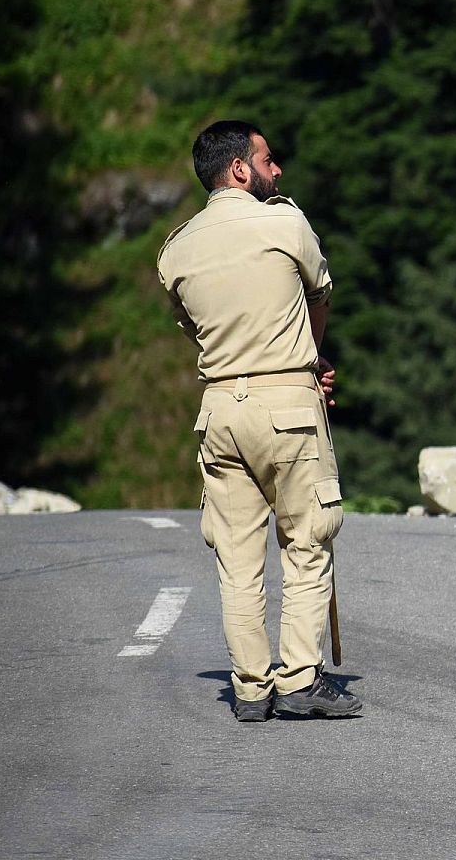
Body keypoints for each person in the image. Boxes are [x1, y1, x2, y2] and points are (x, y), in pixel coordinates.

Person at [158, 120, 360, 722]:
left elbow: (191, 325)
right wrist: (311, 359)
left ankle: (250, 687)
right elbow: (319, 293)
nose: (278, 170)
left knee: (236, 554)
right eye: (269, 160)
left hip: (219, 407)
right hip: (288, 402)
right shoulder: (284, 222)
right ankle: (300, 678)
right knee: (307, 538)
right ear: (242, 170)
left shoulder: (177, 249)